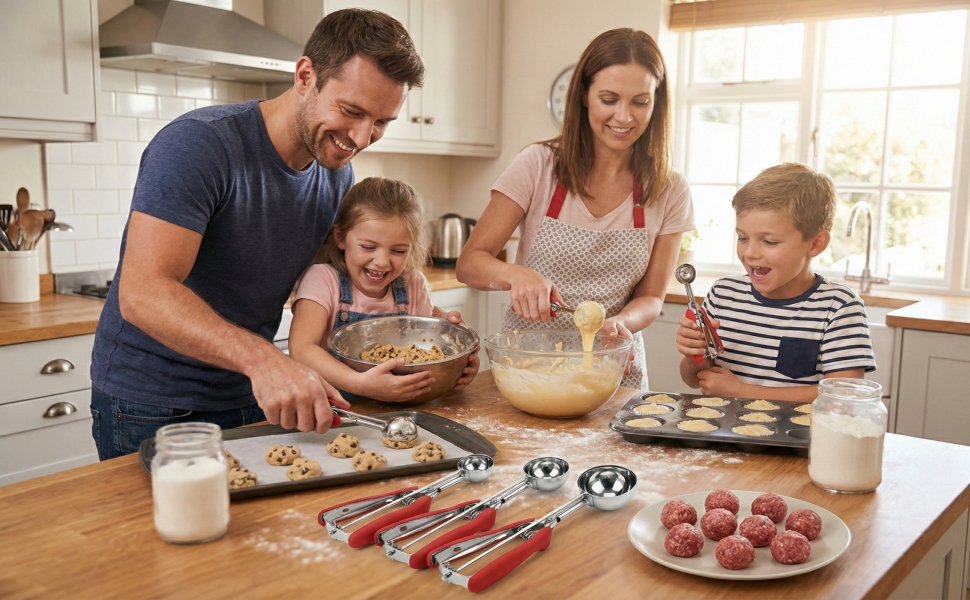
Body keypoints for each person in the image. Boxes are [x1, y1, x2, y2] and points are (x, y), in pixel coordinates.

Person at [89, 9, 425, 460]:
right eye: (352, 111)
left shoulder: (336, 176)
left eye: (382, 121)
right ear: (306, 75)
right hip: (154, 401)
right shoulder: (198, 146)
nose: (363, 136)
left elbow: (334, 292)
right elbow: (143, 293)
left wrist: (428, 345)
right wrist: (266, 360)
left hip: (257, 393)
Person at [456, 28, 694, 389]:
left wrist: (623, 323)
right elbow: (470, 263)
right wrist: (515, 275)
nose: (624, 117)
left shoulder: (669, 189)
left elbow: (651, 297)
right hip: (529, 366)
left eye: (640, 102)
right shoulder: (538, 165)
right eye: (609, 99)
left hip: (614, 369)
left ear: (656, 103)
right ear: (584, 95)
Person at [676, 163, 876, 402]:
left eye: (769, 242)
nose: (750, 253)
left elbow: (844, 395)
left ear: (815, 244)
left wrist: (742, 392)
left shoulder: (839, 308)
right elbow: (695, 379)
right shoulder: (723, 294)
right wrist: (692, 356)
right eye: (742, 238)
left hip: (796, 439)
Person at [288, 177, 479, 401]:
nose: (381, 261)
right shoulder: (323, 280)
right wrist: (359, 383)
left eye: (398, 251)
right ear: (340, 238)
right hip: (339, 411)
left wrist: (457, 364)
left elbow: (427, 346)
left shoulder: (413, 283)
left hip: (404, 409)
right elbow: (301, 349)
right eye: (368, 247)